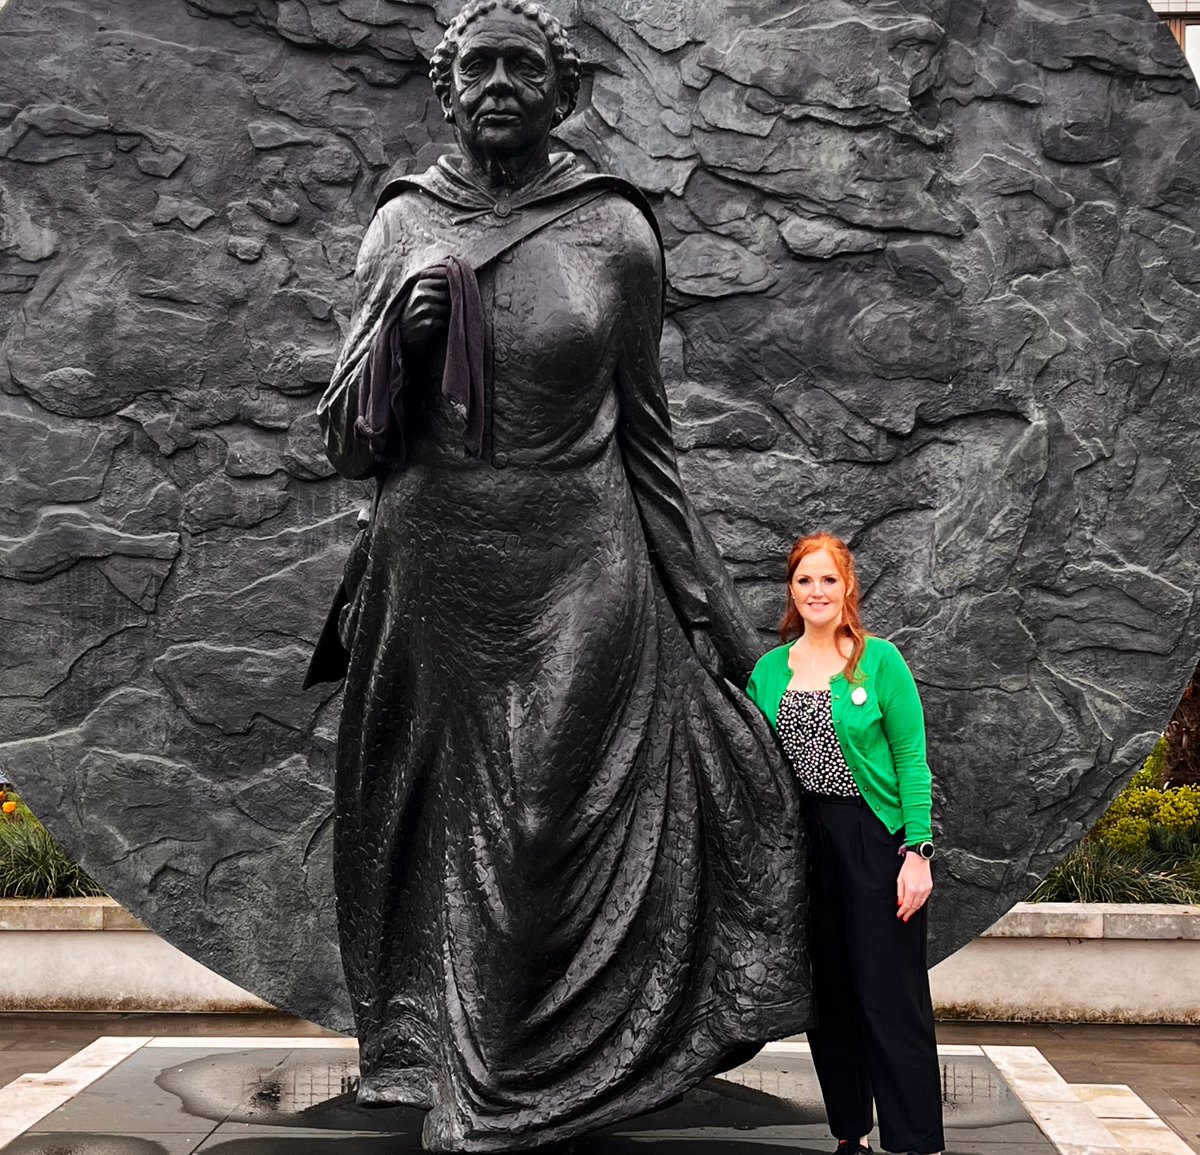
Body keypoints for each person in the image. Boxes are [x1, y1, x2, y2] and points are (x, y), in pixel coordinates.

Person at [313, 1, 813, 1149]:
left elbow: (649, 442)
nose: (497, 84)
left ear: (563, 92)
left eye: (520, 67)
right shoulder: (398, 228)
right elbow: (345, 438)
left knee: (542, 813)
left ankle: (522, 1085)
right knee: (440, 825)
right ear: (446, 91)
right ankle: (452, 1068)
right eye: (476, 66)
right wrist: (405, 332)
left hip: (581, 559)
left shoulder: (614, 235)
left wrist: (730, 639)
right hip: (434, 563)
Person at [746, 533, 944, 1155]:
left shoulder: (879, 661)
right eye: (805, 581)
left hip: (873, 838)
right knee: (829, 995)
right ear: (792, 591)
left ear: (848, 586)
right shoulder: (770, 670)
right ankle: (849, 1132)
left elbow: (912, 760)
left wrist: (918, 852)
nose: (816, 592)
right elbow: (753, 762)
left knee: (889, 993)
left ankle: (912, 1140)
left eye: (828, 580)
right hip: (804, 845)